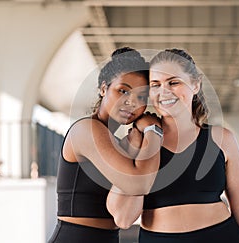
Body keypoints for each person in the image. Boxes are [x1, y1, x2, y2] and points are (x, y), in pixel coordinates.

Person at [107, 48, 239, 243]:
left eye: (173, 82)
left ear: (196, 84)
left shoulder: (221, 139)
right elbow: (123, 218)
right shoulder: (138, 141)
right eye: (155, 85)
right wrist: (150, 137)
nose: (164, 91)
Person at [48, 47, 162, 243]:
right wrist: (154, 132)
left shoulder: (117, 143)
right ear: (103, 88)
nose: (131, 102)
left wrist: (134, 145)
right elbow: (139, 183)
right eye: (123, 91)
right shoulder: (86, 130)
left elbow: (124, 217)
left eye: (141, 97)